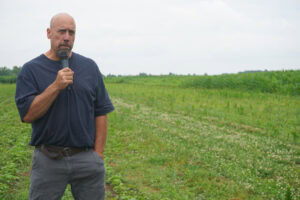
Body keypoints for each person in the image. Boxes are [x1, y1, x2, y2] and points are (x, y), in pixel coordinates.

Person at [15, 13, 114, 200]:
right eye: (61, 31)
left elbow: (101, 112)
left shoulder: (89, 67)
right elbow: (27, 115)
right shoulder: (31, 69)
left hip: (86, 160)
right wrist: (56, 86)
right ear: (49, 33)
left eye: (71, 32)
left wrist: (98, 155)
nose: (67, 37)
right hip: (48, 160)